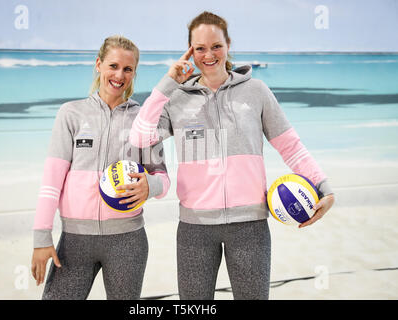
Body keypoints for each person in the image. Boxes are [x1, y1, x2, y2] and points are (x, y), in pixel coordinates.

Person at [130, 11, 335, 300]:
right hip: (195, 229)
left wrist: (324, 188)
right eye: (199, 48)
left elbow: (290, 146)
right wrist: (167, 83)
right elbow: (139, 138)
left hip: (250, 226)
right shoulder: (176, 99)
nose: (208, 54)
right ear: (190, 51)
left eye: (216, 46)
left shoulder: (256, 91)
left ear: (228, 46)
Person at [31, 35, 170, 300]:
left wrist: (149, 186)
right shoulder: (70, 114)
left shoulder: (143, 120)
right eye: (113, 66)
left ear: (134, 74)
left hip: (127, 241)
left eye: (128, 69)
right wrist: (41, 238)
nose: (120, 75)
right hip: (74, 242)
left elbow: (163, 179)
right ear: (99, 64)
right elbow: (51, 182)